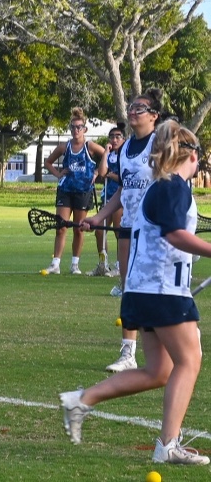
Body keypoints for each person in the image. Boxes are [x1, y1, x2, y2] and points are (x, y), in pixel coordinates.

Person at [61, 120, 209, 465]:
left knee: (159, 371)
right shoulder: (174, 186)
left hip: (143, 290)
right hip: (162, 290)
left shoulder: (162, 187)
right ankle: (168, 445)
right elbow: (175, 235)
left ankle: (81, 399)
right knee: (190, 360)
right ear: (190, 155)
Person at [84, 89, 166, 373]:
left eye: (139, 108)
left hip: (155, 230)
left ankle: (171, 344)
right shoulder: (127, 146)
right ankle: (128, 354)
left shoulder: (160, 142)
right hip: (129, 227)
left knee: (156, 289)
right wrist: (98, 217)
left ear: (154, 115)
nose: (132, 111)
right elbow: (123, 190)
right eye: (131, 107)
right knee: (129, 289)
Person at [41, 107, 105, 275]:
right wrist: (58, 174)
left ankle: (75, 264)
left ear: (84, 129)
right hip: (66, 190)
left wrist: (98, 172)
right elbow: (48, 162)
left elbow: (107, 156)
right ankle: (55, 263)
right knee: (61, 226)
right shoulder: (64, 147)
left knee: (79, 228)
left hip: (83, 191)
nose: (76, 130)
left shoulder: (90, 146)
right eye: (73, 127)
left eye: (79, 127)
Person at [89, 124, 126, 279]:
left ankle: (120, 265)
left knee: (118, 231)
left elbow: (125, 178)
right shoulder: (110, 155)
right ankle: (103, 264)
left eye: (118, 136)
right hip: (108, 196)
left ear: (123, 139)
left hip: (121, 198)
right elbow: (103, 172)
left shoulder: (126, 155)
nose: (114, 139)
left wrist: (113, 176)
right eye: (112, 136)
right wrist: (105, 153)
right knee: (99, 230)